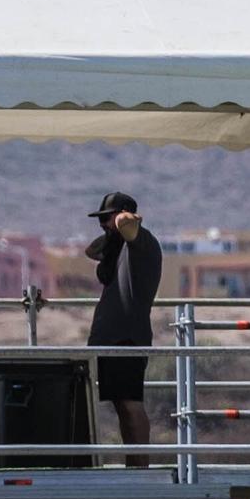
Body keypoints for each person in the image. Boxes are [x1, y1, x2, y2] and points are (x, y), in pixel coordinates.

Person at [84, 191, 162, 468]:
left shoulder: (141, 241)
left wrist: (121, 220)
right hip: (112, 338)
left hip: (127, 336)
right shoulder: (118, 247)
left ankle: (140, 467)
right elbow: (90, 250)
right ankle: (134, 464)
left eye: (107, 218)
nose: (104, 225)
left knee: (130, 404)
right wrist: (110, 232)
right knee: (121, 405)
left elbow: (126, 222)